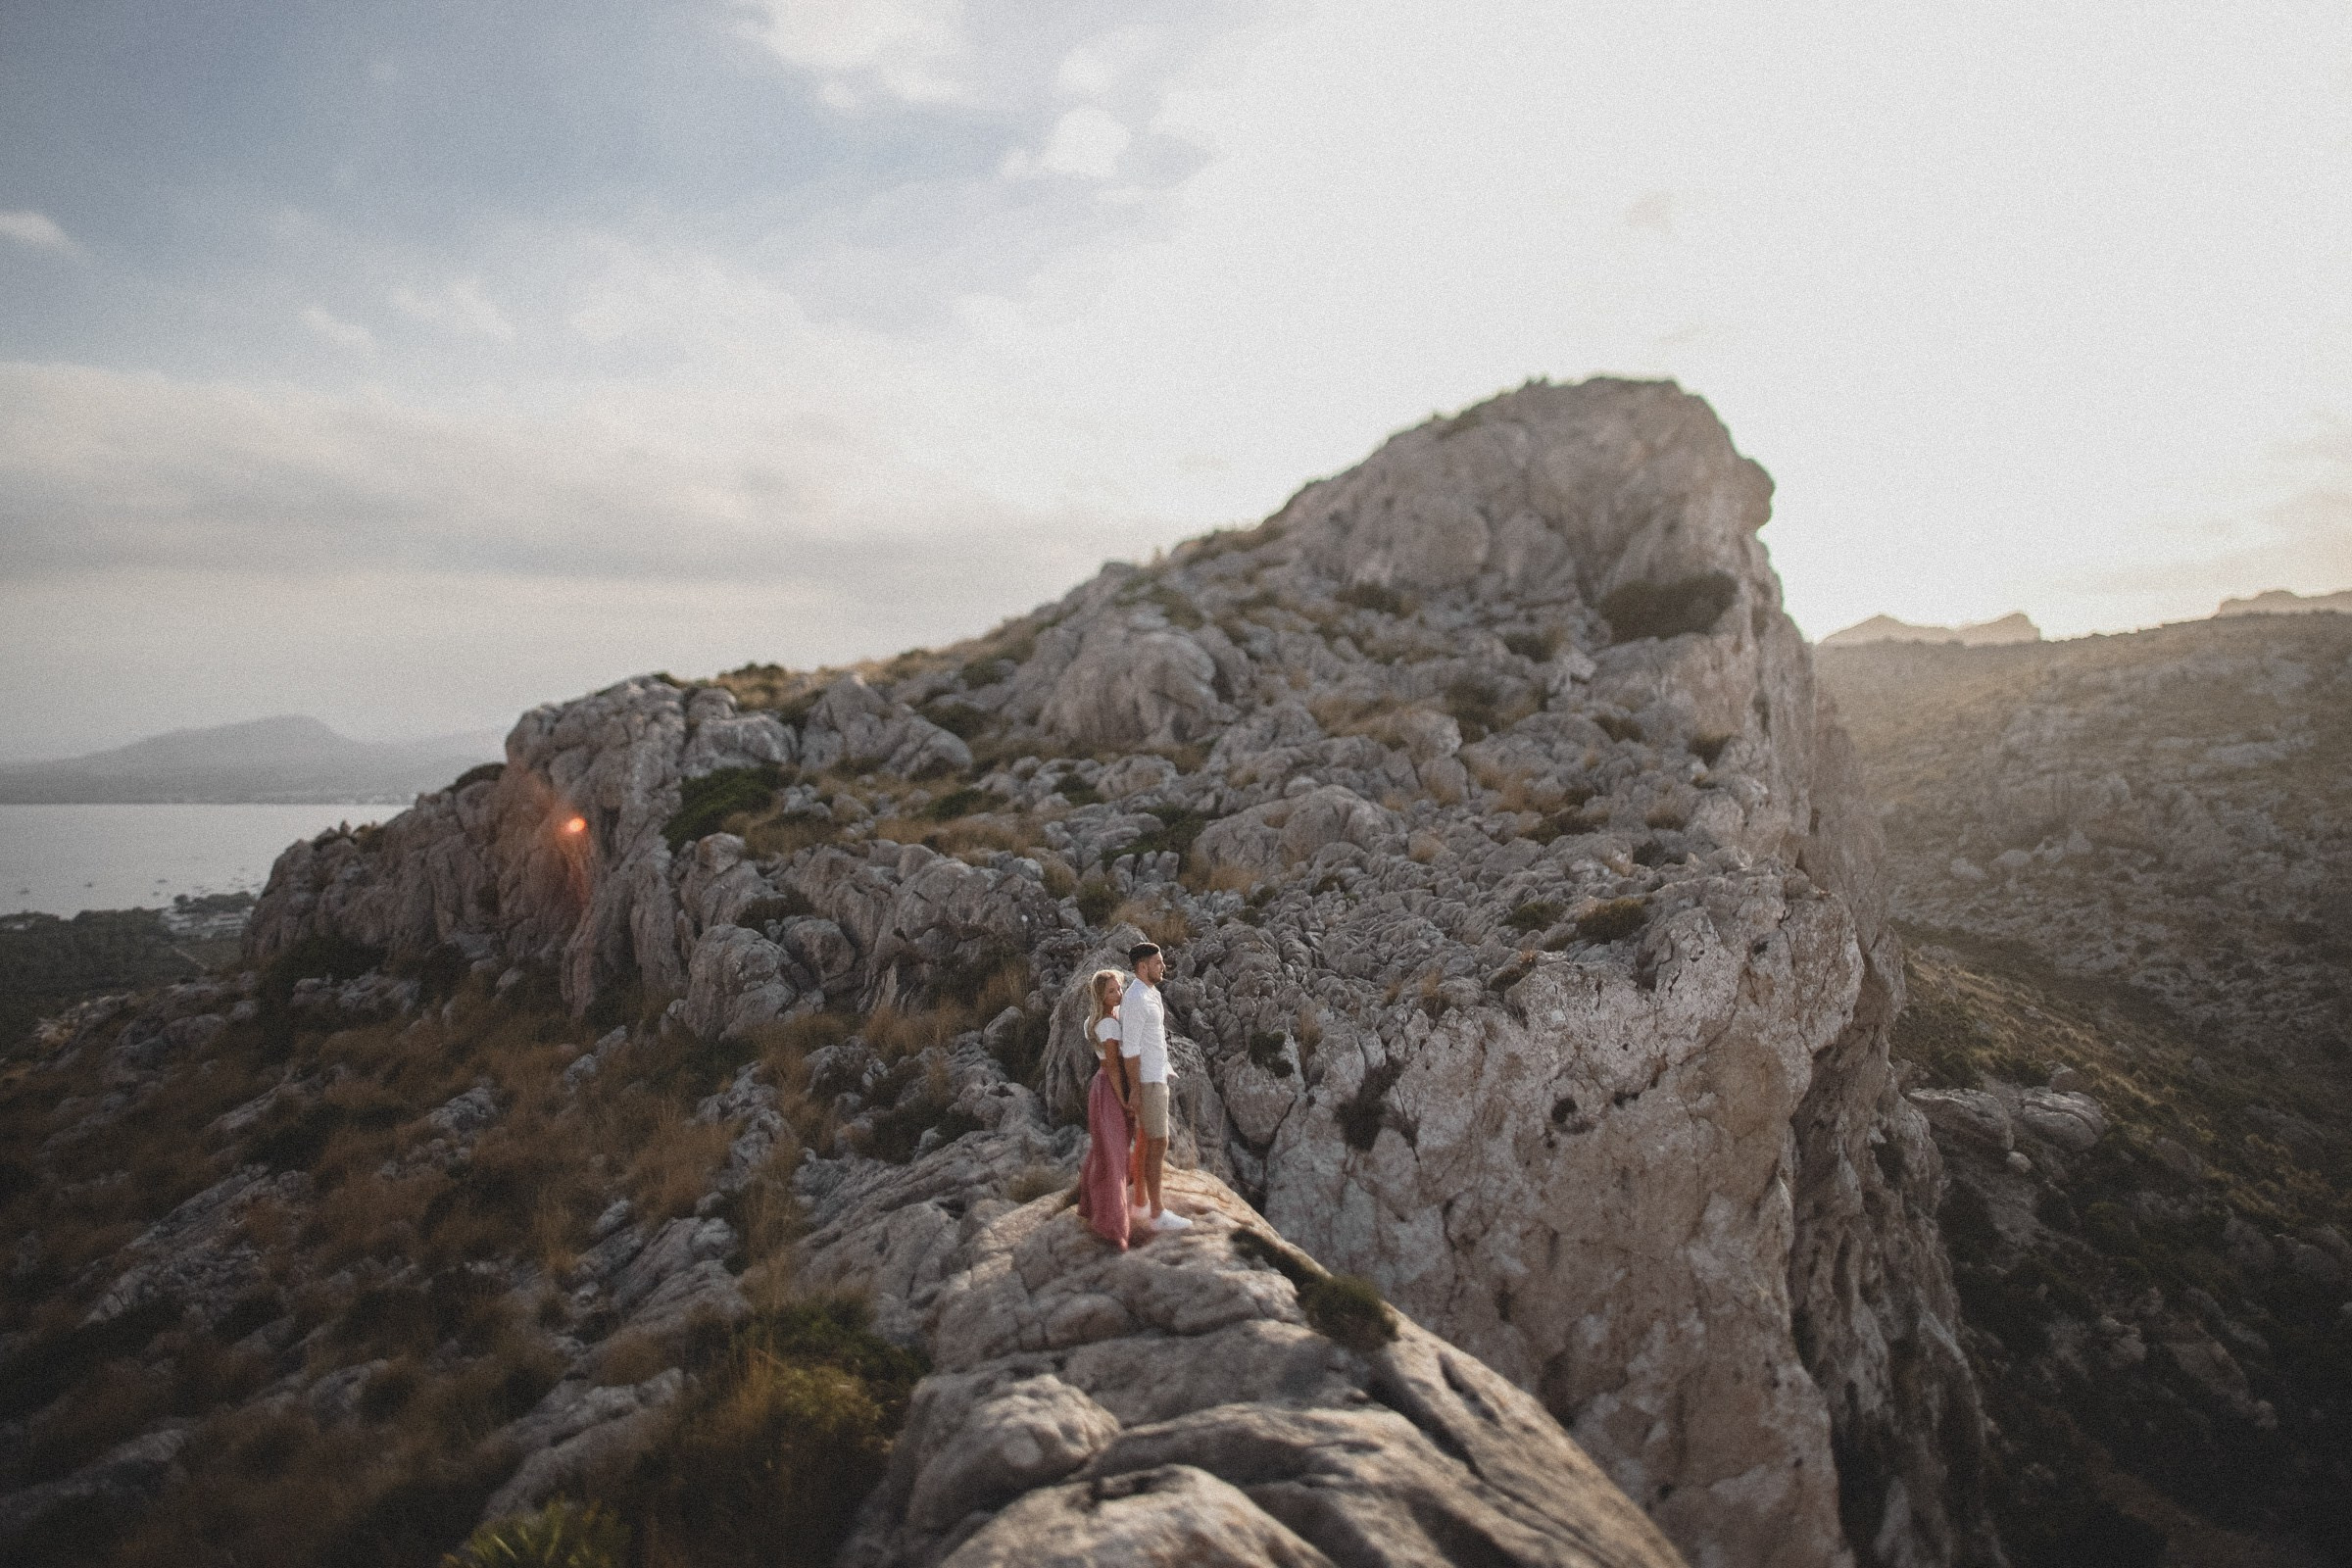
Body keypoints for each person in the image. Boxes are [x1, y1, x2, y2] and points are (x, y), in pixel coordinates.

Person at [1121, 942, 1188, 1231]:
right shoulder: (1135, 998)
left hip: (1158, 1075)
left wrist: (1165, 1069)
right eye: (1158, 962)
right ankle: (1157, 1213)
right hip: (1147, 1082)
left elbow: (1154, 1040)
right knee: (1158, 1141)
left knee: (1148, 1141)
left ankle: (1140, 1204)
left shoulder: (1153, 995)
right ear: (1142, 966)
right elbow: (1131, 1049)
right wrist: (1135, 1088)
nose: (1164, 967)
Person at [1073, 969, 1134, 1249]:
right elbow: (1112, 1066)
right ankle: (1113, 1225)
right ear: (1101, 997)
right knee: (1113, 1154)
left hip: (1101, 1087)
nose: (1118, 994)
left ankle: (1088, 1206)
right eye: (1111, 991)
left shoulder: (1095, 1021)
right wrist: (1124, 1101)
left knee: (1103, 1149)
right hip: (1110, 1088)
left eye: (1119, 989)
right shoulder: (1107, 1025)